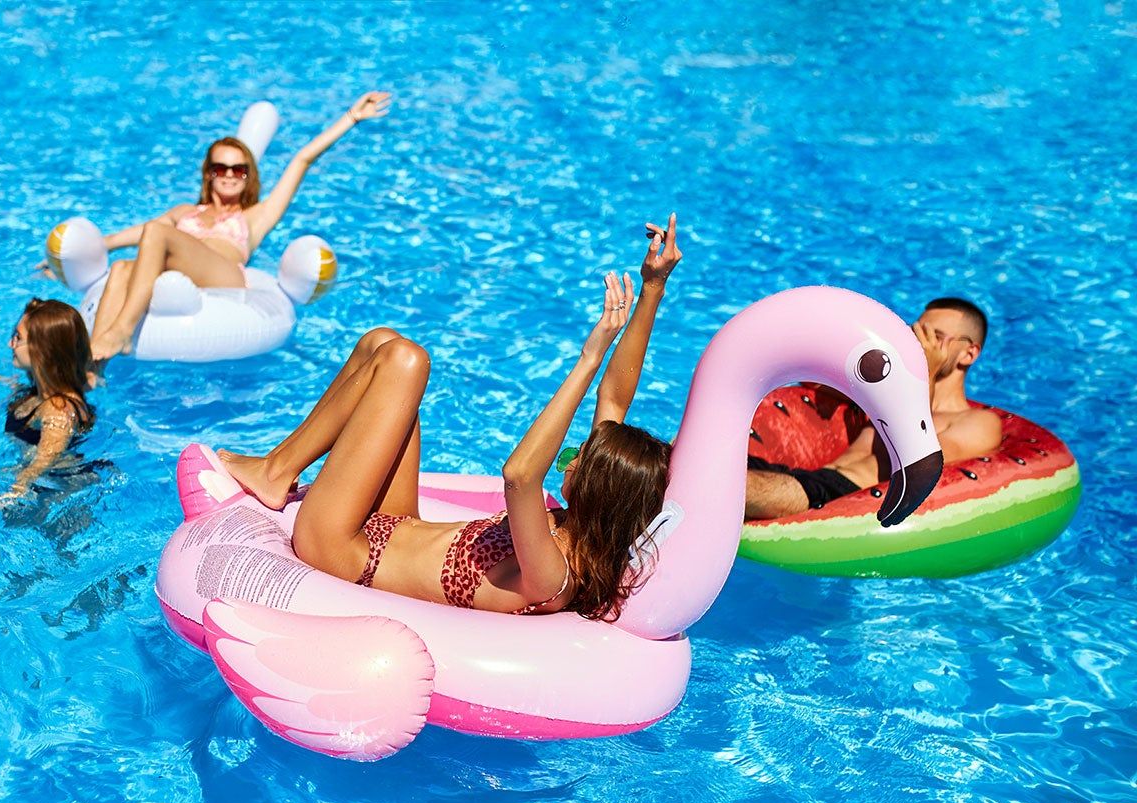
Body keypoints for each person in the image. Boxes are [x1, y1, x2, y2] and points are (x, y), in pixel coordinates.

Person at [219, 216, 684, 621]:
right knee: (381, 343)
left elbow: (520, 476)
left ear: (599, 490)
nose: (570, 457)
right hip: (393, 524)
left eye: (576, 460)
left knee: (406, 360)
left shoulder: (555, 575)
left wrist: (590, 355)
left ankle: (276, 471)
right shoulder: (577, 526)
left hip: (345, 552)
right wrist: (652, 288)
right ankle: (278, 464)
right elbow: (616, 400)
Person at [88, 91, 392, 362]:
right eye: (221, 168)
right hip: (180, 269)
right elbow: (122, 237)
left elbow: (302, 161)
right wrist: (82, 253)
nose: (230, 175)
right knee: (121, 269)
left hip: (225, 275)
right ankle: (92, 365)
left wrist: (351, 117)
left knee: (157, 231)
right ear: (209, 173)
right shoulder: (186, 211)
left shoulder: (255, 216)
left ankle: (123, 331)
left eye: (239, 169)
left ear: (249, 174)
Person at [745, 297, 1004, 518]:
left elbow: (917, 460)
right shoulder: (888, 396)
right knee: (718, 465)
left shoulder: (979, 422)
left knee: (718, 487)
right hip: (804, 479)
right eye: (916, 334)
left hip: (841, 493)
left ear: (969, 353)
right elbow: (811, 380)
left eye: (935, 338)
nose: (921, 345)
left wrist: (926, 370)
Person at [0, 298, 95, 500]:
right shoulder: (44, 392)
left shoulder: (57, 410)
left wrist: (16, 488)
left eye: (17, 337)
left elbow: (47, 457)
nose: (10, 343)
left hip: (58, 495)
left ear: (42, 351)